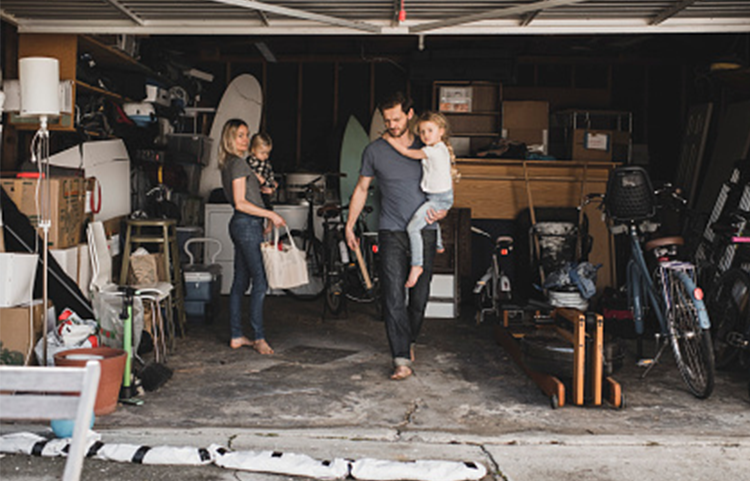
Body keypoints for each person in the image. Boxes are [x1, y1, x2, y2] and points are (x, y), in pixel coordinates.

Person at [345, 93, 447, 381]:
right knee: (392, 293)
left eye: (397, 119)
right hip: (390, 229)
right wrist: (350, 224)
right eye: (387, 120)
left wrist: (443, 211)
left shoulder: (427, 145)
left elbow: (444, 183)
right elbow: (362, 188)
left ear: (410, 114)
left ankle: (409, 338)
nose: (391, 124)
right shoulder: (374, 151)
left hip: (425, 229)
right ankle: (400, 357)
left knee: (419, 296)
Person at [219, 118, 286, 355]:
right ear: (229, 138)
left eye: (247, 135)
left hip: (246, 224)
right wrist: (270, 213)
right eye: (240, 135)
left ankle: (237, 335)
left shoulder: (231, 164)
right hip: (246, 225)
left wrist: (264, 203)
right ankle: (258, 338)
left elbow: (250, 195)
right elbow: (240, 202)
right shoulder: (237, 163)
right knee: (260, 280)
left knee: (240, 281)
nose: (246, 140)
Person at [383, 111, 454, 288]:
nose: (425, 135)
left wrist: (390, 140)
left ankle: (417, 265)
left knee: (413, 227)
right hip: (438, 197)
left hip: (438, 199)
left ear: (441, 131)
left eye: (430, 130)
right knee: (428, 216)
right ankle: (438, 244)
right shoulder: (441, 148)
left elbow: (408, 153)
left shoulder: (434, 151)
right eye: (422, 132)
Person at [247, 132, 278, 211]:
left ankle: (269, 223)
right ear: (253, 150)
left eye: (268, 153)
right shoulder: (249, 162)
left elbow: (270, 177)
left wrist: (272, 187)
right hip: (253, 194)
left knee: (270, 210)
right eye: (262, 153)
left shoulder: (266, 163)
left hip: (265, 191)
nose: (266, 155)